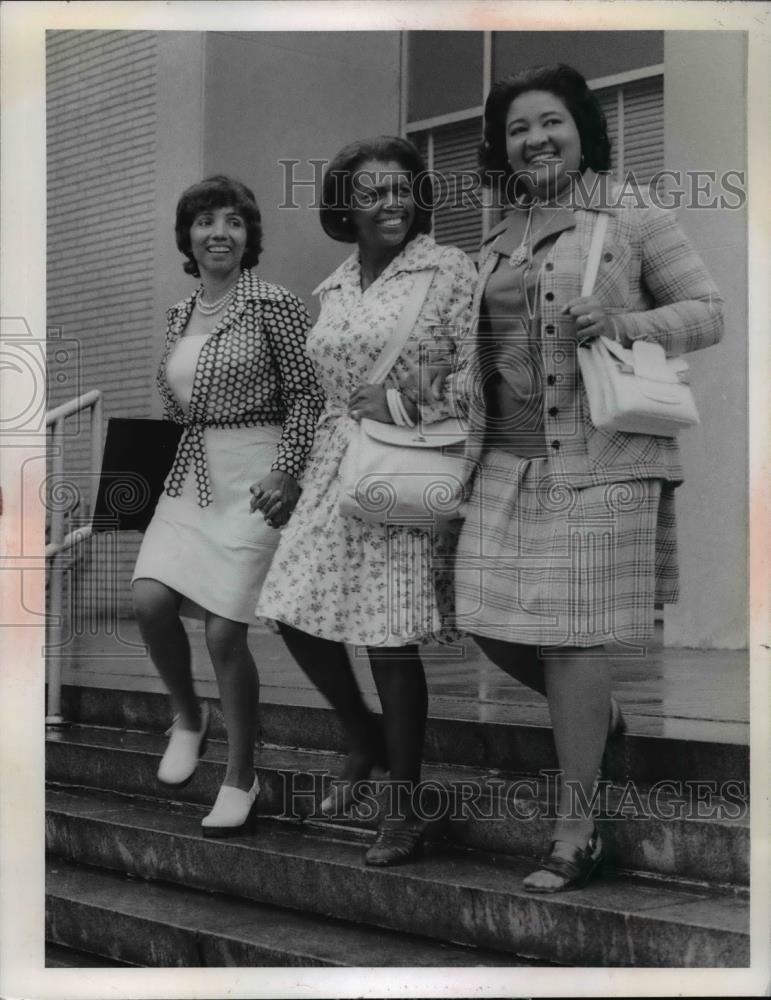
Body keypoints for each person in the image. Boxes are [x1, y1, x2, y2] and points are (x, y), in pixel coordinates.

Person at [425, 64, 723, 891]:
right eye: (518, 129)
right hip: (503, 459)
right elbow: (482, 354)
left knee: (569, 638)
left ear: (580, 128)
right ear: (502, 146)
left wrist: (625, 320)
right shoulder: (498, 235)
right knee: (480, 615)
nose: (535, 140)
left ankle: (576, 830)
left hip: (601, 460)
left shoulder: (628, 211)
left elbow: (707, 311)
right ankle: (602, 719)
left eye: (549, 122)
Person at [257, 136, 476, 866]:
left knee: (387, 634)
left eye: (400, 190)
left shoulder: (446, 270)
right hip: (331, 461)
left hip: (403, 460)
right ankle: (363, 739)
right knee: (289, 604)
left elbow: (479, 380)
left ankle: (403, 809)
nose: (389, 203)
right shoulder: (335, 284)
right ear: (344, 207)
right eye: (372, 192)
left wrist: (401, 398)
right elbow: (323, 389)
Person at [132, 175, 324, 837]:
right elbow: (172, 407)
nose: (220, 232)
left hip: (256, 474)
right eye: (207, 221)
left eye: (234, 222)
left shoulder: (273, 302)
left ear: (249, 236)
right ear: (187, 235)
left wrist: (287, 470)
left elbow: (307, 395)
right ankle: (188, 716)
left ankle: (242, 772)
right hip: (190, 474)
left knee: (222, 630)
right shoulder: (178, 315)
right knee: (149, 601)